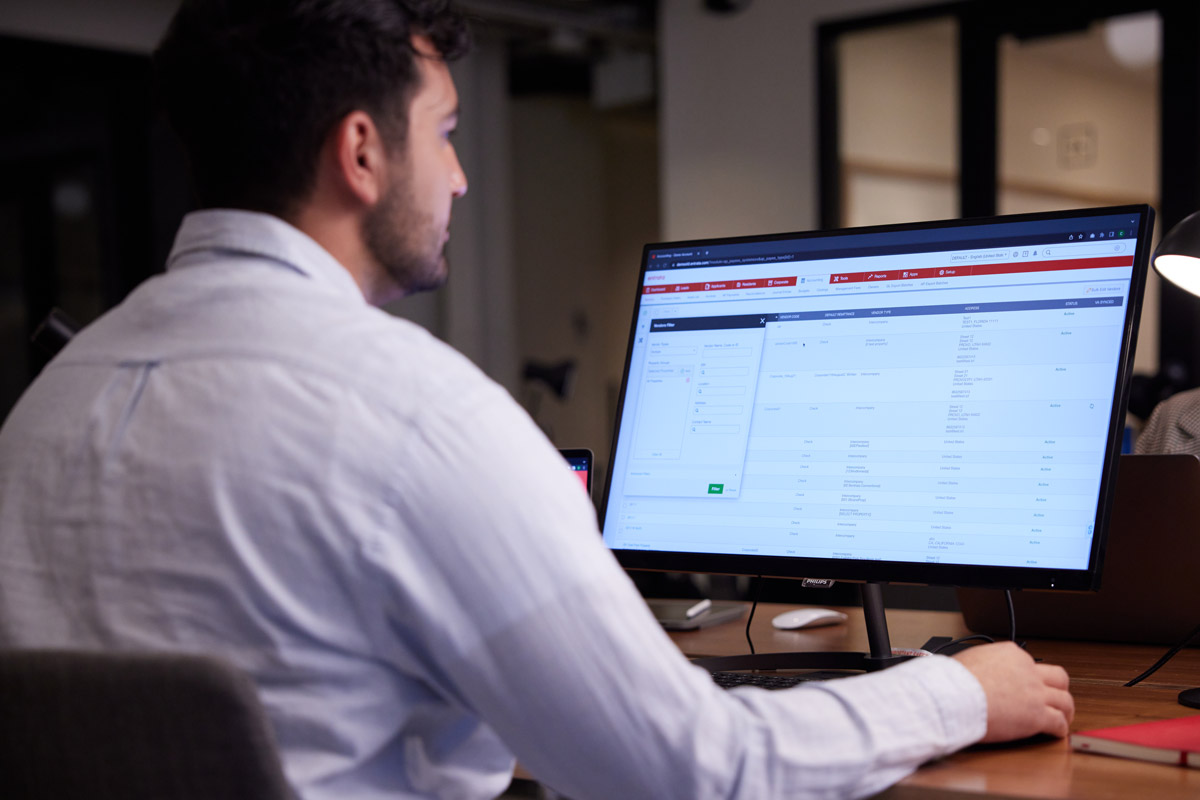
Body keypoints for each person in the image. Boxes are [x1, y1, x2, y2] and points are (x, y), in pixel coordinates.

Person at [0, 1, 1074, 798]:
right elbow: (694, 770)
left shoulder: (41, 411)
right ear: (363, 151)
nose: (461, 176)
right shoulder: (412, 413)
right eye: (448, 131)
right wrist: (962, 691)